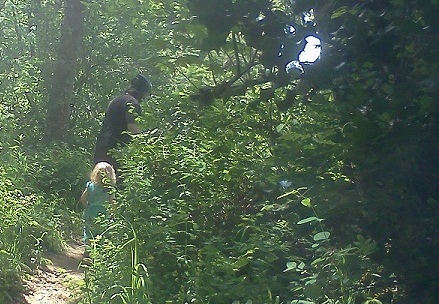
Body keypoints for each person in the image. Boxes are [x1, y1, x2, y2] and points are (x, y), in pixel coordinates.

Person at [93, 74, 152, 174]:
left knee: (98, 184)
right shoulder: (133, 103)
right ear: (142, 91)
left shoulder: (115, 100)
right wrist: (145, 147)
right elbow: (132, 127)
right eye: (146, 93)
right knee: (116, 185)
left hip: (101, 147)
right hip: (116, 153)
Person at [80, 161, 117, 247]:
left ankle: (88, 249)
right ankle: (99, 251)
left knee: (89, 231)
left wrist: (88, 206)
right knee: (102, 233)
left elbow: (83, 199)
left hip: (91, 212)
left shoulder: (90, 185)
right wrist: (113, 214)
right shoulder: (110, 189)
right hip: (104, 213)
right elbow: (113, 202)